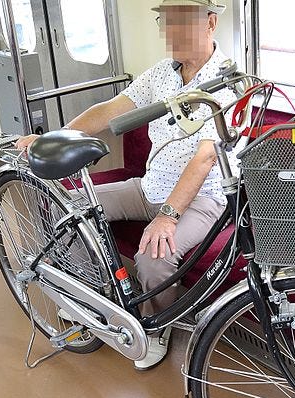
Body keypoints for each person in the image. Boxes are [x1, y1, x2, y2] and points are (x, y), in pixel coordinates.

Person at [16, 0, 233, 371]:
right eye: (166, 22)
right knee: (67, 206)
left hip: (199, 200)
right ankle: (92, 293)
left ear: (210, 22)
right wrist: (57, 137)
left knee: (155, 257)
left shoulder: (226, 81)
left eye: (181, 23)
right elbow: (111, 108)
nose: (171, 33)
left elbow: (205, 158)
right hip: (148, 188)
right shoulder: (162, 73)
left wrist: (168, 216)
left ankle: (154, 327)